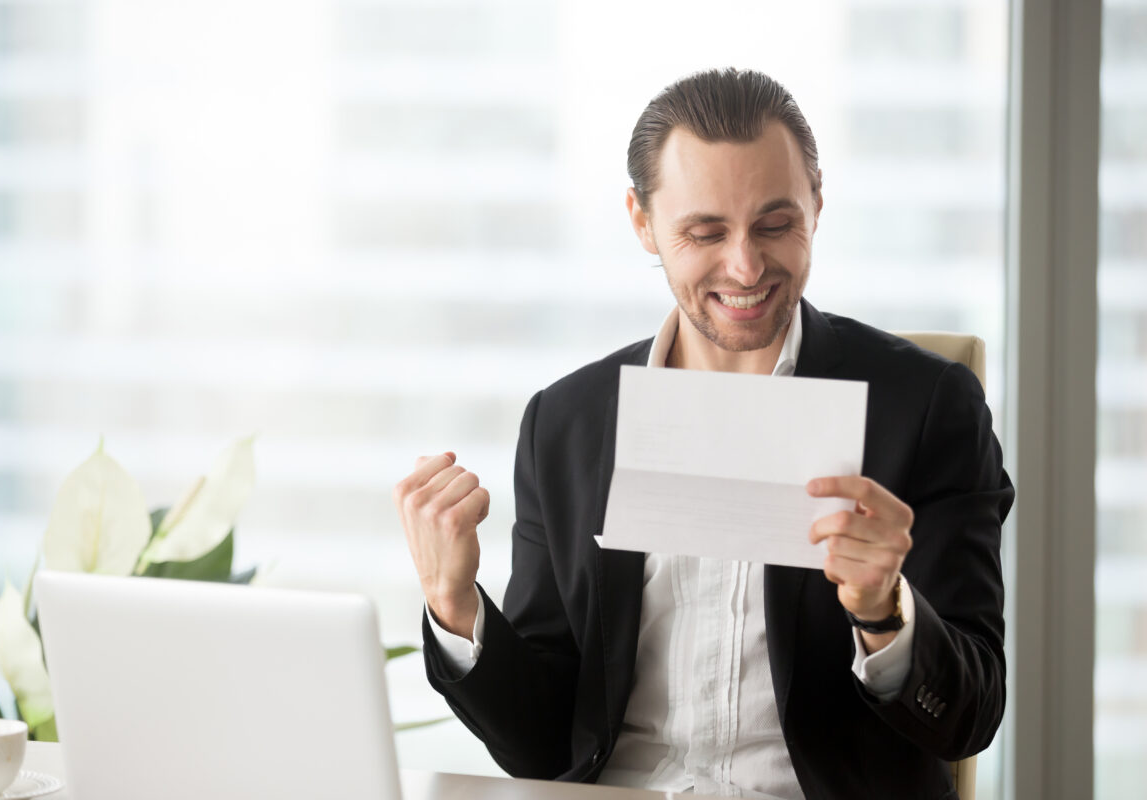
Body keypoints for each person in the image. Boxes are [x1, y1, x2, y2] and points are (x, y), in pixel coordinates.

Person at [393, 68, 1014, 800]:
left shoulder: (925, 406)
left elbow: (971, 716)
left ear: (817, 202)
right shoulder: (567, 423)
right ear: (641, 221)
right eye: (704, 232)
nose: (745, 266)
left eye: (776, 224)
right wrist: (454, 602)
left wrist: (886, 610)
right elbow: (542, 743)